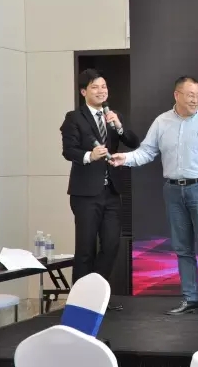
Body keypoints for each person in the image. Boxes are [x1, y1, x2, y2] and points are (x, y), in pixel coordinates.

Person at [109, 76, 198, 317]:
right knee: (182, 247)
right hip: (173, 190)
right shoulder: (162, 122)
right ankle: (190, 298)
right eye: (190, 95)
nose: (195, 100)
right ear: (177, 95)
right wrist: (125, 158)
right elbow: (146, 152)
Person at [60, 68, 141, 311]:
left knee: (111, 245)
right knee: (85, 248)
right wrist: (89, 155)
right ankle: (79, 302)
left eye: (103, 86)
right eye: (95, 87)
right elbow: (68, 151)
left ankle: (97, 297)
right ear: (84, 91)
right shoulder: (74, 118)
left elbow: (133, 142)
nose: (101, 91)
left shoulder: (113, 115)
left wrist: (119, 126)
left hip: (111, 191)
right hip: (85, 193)